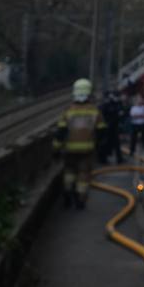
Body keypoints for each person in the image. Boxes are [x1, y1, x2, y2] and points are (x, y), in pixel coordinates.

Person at [54, 78, 106, 209]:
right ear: (89, 93)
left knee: (69, 172)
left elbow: (60, 132)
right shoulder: (95, 111)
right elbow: (101, 131)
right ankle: (80, 200)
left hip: (69, 149)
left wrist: (56, 149)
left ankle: (67, 192)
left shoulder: (68, 111)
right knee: (83, 174)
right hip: (87, 149)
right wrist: (99, 147)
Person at [99, 91, 125, 164]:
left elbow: (120, 113)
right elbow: (104, 114)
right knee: (107, 144)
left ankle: (119, 159)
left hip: (113, 127)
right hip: (108, 128)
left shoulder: (116, 104)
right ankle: (104, 159)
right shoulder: (107, 105)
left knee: (116, 144)